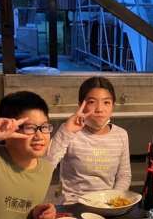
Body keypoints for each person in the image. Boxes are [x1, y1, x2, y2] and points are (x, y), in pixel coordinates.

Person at [47, 76, 131, 204]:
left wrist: (114, 200)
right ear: (81, 105)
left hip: (107, 205)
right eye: (92, 102)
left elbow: (124, 175)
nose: (99, 109)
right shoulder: (71, 133)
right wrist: (66, 131)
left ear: (113, 106)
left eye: (106, 102)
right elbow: (46, 165)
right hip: (73, 205)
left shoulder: (121, 135)